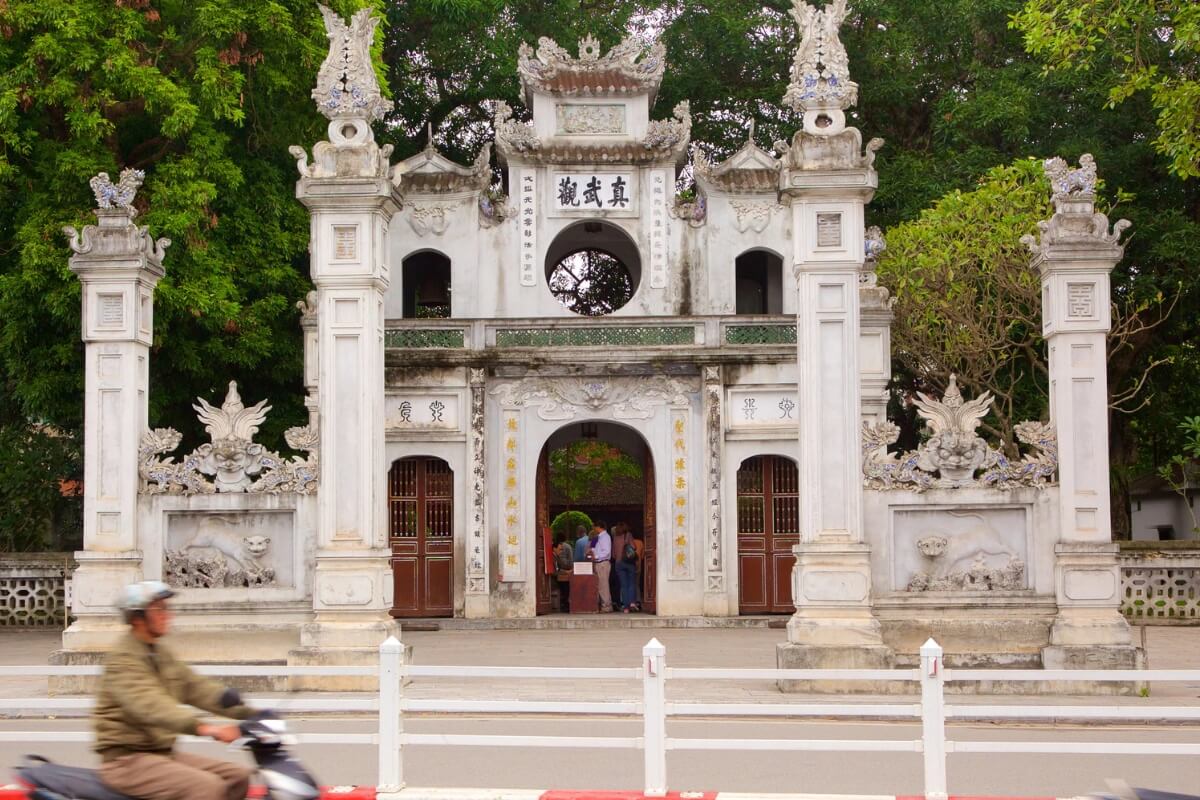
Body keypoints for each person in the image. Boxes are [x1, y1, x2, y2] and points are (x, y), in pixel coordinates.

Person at [94, 580, 254, 800]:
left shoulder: (160, 653)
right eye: (159, 609)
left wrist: (250, 714)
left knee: (238, 776)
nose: (167, 615)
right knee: (207, 788)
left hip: (160, 754)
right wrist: (209, 729)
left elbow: (194, 687)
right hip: (126, 761)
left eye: (167, 608)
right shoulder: (122, 659)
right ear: (138, 617)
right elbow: (152, 706)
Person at [614, 524, 640, 613]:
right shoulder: (628, 535)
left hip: (618, 563)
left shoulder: (615, 537)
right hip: (628, 562)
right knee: (631, 583)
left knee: (624, 585)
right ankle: (632, 602)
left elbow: (613, 553)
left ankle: (626, 608)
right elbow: (633, 547)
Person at [590, 520, 613, 612]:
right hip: (598, 563)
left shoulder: (605, 537)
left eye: (594, 527)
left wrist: (596, 556)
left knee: (603, 586)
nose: (594, 529)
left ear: (598, 527)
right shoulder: (598, 537)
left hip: (602, 563)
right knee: (600, 585)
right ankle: (604, 605)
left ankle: (606, 606)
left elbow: (606, 551)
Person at [554, 531, 574, 613]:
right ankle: (566, 604)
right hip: (564, 570)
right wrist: (569, 570)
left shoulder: (557, 549)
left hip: (561, 571)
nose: (561, 551)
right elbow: (571, 559)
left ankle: (564, 603)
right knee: (566, 588)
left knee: (563, 587)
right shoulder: (568, 546)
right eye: (560, 550)